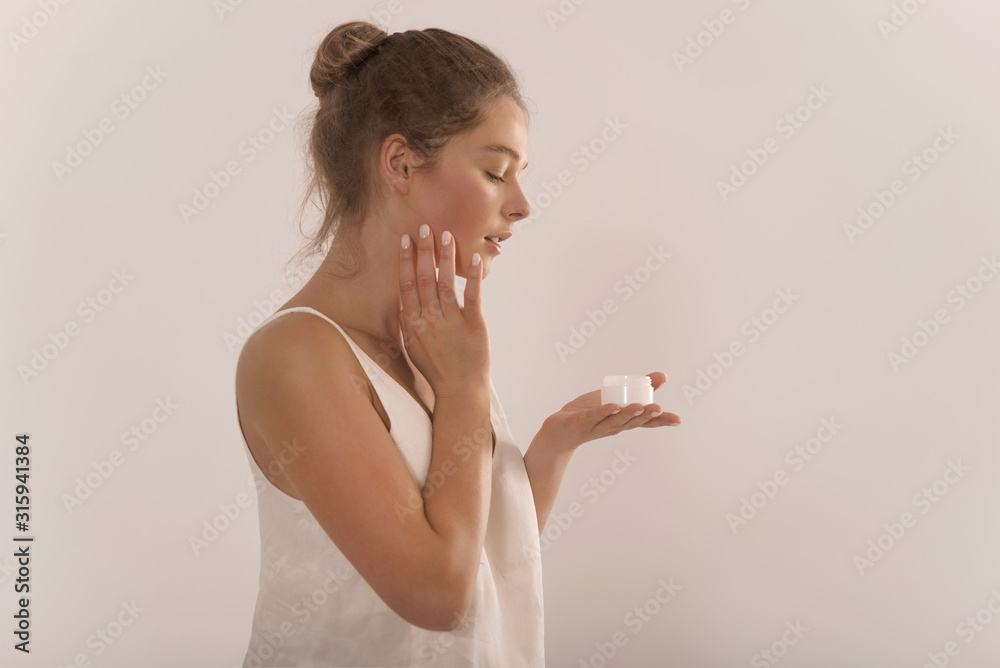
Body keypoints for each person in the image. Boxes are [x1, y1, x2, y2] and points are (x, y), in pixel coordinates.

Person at [233, 20, 681, 667]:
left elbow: (480, 562)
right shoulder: (297, 356)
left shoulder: (429, 343)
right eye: (498, 171)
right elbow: (439, 597)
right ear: (401, 163)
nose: (524, 204)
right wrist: (465, 388)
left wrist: (552, 445)